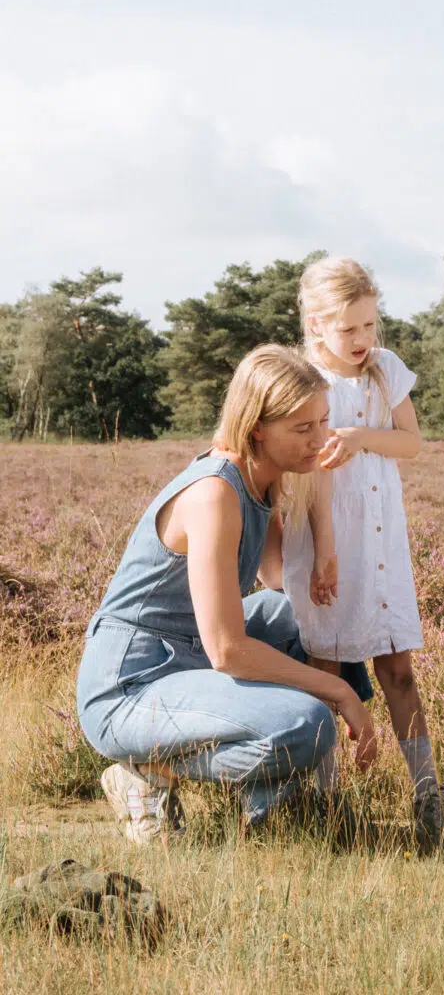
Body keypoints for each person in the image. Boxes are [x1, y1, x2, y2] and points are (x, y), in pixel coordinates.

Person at [77, 345, 377, 844]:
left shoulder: (261, 481)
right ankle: (146, 775)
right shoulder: (216, 493)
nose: (319, 439)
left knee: (300, 617)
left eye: (324, 423)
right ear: (257, 426)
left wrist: (326, 547)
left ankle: (277, 812)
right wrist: (338, 693)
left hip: (188, 664)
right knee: (309, 722)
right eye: (303, 429)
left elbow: (281, 582)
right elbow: (228, 650)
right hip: (131, 686)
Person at [282, 256, 444, 846]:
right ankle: (325, 800)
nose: (362, 340)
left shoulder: (385, 370)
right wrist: (327, 553)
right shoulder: (307, 384)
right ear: (315, 325)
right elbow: (314, 477)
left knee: (398, 667)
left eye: (368, 326)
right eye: (348, 329)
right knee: (325, 668)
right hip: (328, 539)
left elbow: (410, 442)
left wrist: (361, 438)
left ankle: (427, 794)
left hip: (385, 541)